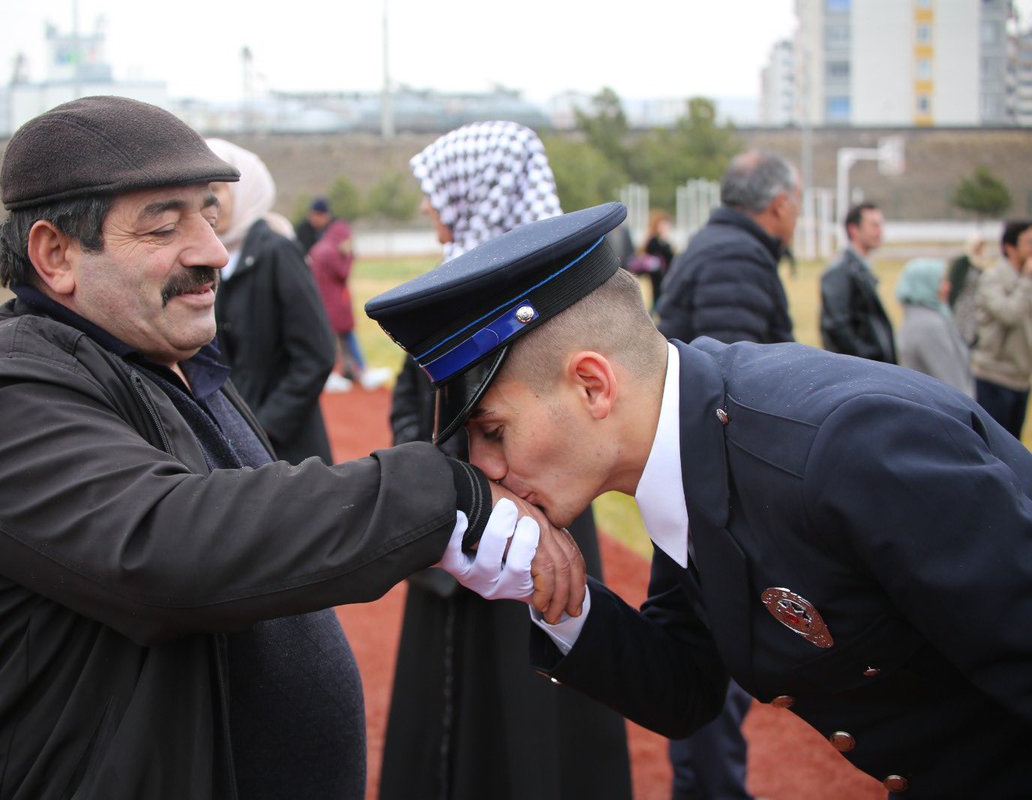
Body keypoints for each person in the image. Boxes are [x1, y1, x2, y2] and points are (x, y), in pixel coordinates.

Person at [0, 95, 586, 799]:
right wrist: (444, 491)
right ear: (56, 254)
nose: (211, 250)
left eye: (208, 213)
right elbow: (164, 548)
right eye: (164, 225)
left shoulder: (167, 355)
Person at [366, 202, 1032, 799]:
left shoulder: (844, 451)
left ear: (594, 386)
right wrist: (553, 597)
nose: (485, 468)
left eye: (492, 431)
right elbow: (686, 688)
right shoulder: (689, 440)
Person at [379, 120, 632, 800]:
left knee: (534, 709)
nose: (429, 210)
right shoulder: (441, 286)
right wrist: (441, 476)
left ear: (475, 192)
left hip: (541, 519)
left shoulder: (559, 296)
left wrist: (511, 495)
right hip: (458, 525)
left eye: (438, 193)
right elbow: (412, 405)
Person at [653, 150, 801, 800]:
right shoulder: (736, 259)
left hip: (693, 489)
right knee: (712, 659)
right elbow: (732, 394)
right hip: (711, 500)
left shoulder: (720, 248)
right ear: (778, 205)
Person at [204, 137, 336, 464]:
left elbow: (315, 353)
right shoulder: (202, 261)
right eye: (199, 193)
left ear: (243, 190)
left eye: (217, 190)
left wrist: (264, 427)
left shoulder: (277, 253)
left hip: (286, 452)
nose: (208, 203)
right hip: (227, 447)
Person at [656, 152, 798, 346]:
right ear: (780, 205)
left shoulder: (715, 241)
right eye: (798, 202)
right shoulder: (736, 257)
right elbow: (730, 361)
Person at [308, 211, 390, 391]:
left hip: (324, 301)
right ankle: (354, 373)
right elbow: (343, 273)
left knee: (334, 340)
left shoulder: (320, 247)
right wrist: (349, 255)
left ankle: (345, 372)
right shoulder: (332, 251)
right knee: (344, 338)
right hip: (335, 302)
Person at [969, 219, 1032, 440]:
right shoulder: (993, 278)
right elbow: (1009, 314)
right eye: (1028, 242)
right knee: (994, 446)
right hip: (994, 376)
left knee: (1015, 447)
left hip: (1021, 377)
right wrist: (1025, 280)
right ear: (1009, 247)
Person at [819, 202, 896, 363]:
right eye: (874, 225)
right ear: (853, 229)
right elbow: (837, 327)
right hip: (859, 372)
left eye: (881, 225)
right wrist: (866, 361)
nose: (879, 231)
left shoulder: (861, 269)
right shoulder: (839, 272)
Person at [895, 257, 973, 396]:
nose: (948, 286)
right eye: (941, 281)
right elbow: (952, 384)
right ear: (924, 285)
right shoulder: (928, 326)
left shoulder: (917, 317)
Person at [946, 233, 986, 346]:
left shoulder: (981, 262)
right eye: (977, 245)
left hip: (975, 304)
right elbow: (953, 283)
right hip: (962, 305)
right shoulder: (962, 262)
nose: (979, 248)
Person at [642, 210, 675, 310]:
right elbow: (650, 253)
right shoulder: (654, 241)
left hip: (665, 274)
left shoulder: (666, 241)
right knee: (657, 297)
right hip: (656, 275)